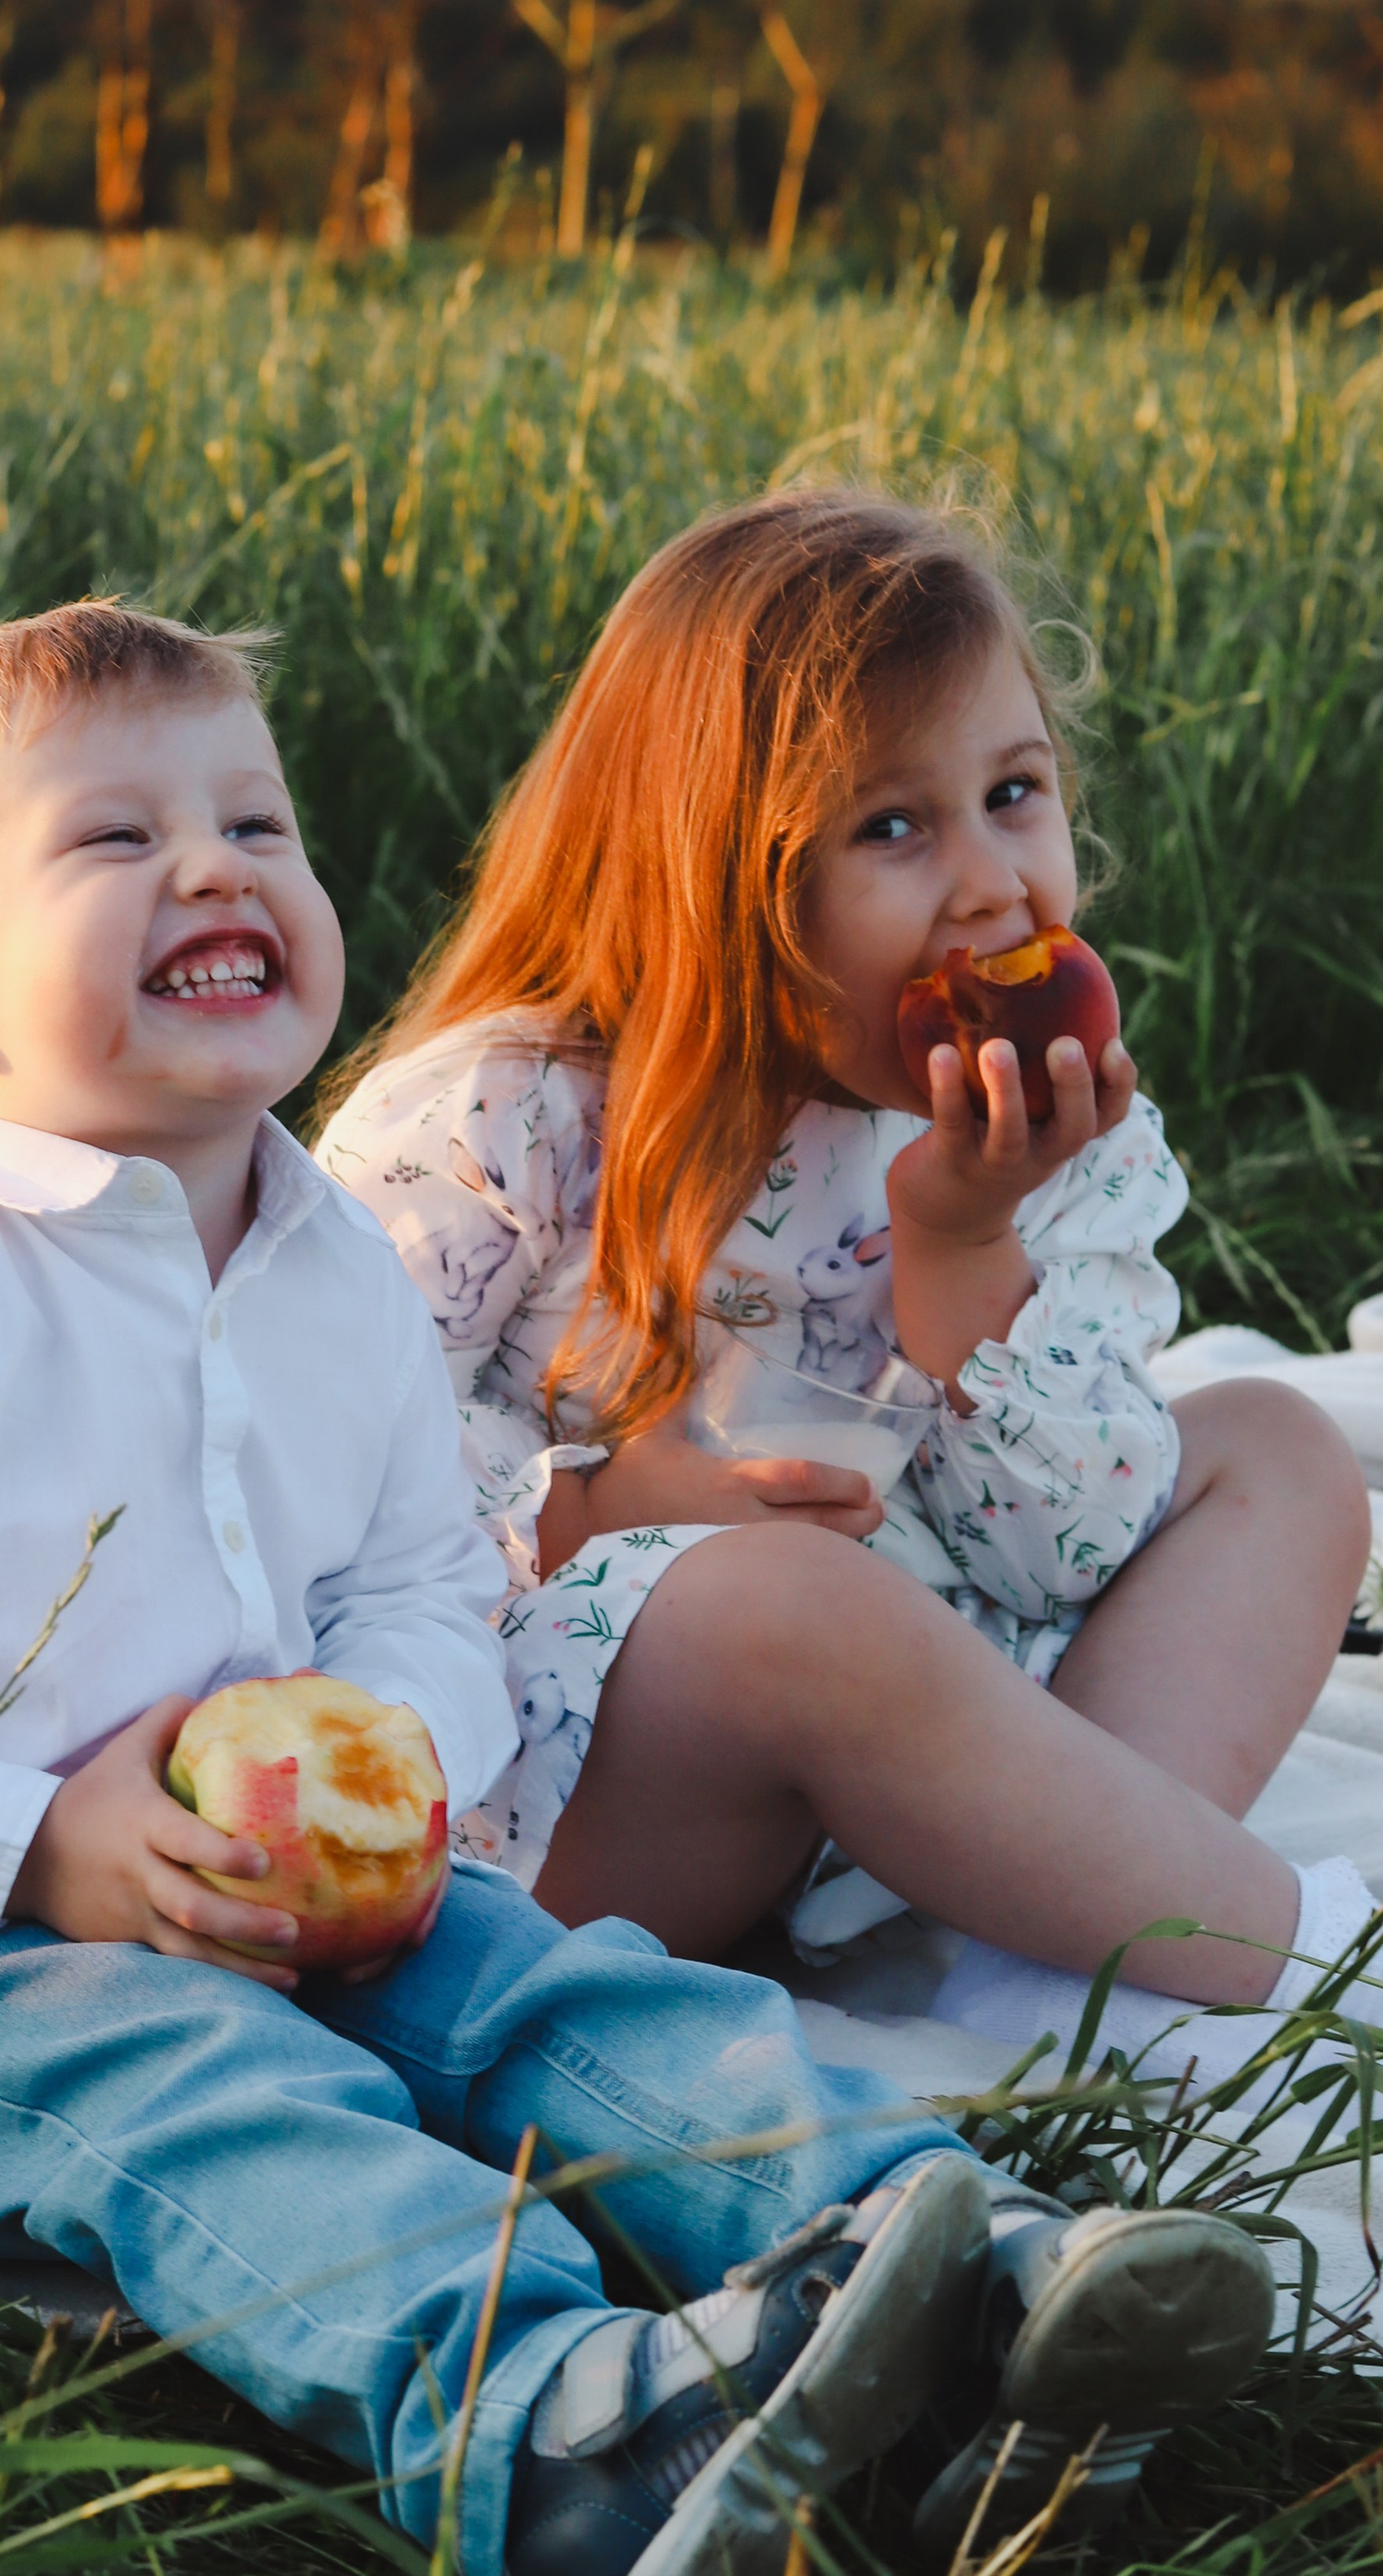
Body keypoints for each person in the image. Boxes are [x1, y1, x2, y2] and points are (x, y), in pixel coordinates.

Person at [0, 600, 1266, 2576]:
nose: (212, 868)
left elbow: (416, 1584)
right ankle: (555, 2444)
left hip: (280, 1862)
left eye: (255, 824)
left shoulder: (326, 1275)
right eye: (112, 843)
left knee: (578, 2004)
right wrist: (32, 1844)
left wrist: (406, 1768)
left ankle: (964, 2281)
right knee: (223, 2103)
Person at [317, 488, 1376, 2076]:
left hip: (951, 1727)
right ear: (704, 869)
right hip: (604, 1782)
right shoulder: (513, 1117)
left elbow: (1061, 1551)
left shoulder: (1060, 1139)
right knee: (791, 1605)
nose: (991, 886)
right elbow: (305, 1449)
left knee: (1281, 1449)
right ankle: (1281, 1946)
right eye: (893, 826)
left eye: (1015, 792)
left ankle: (1053, 1952)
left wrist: (965, 1246)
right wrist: (588, 1507)